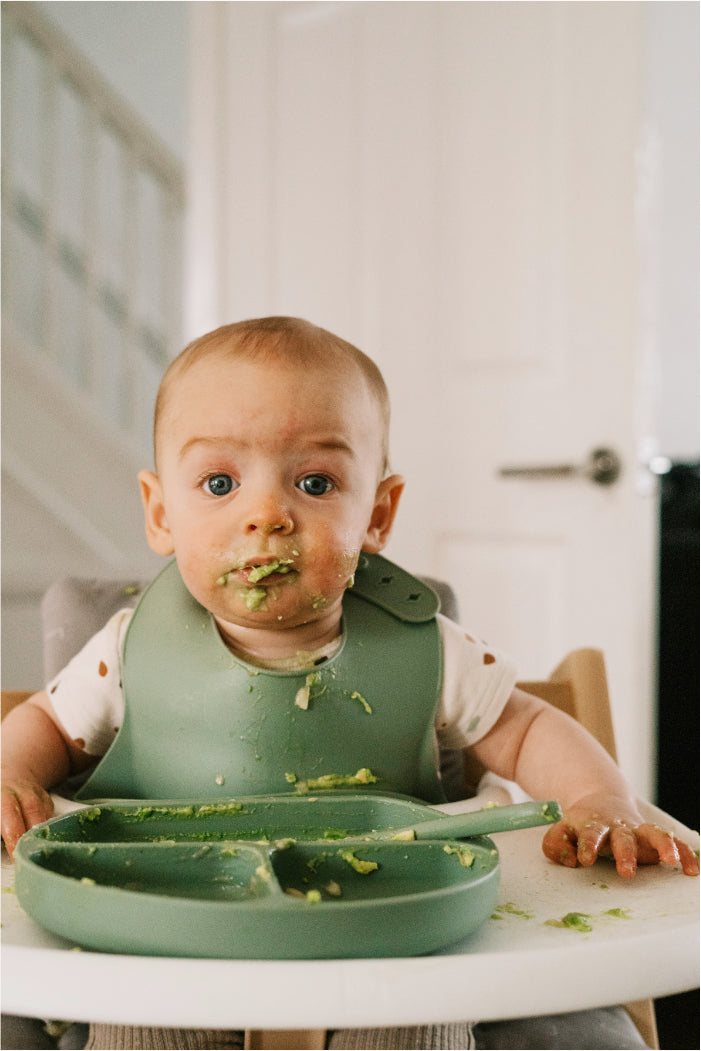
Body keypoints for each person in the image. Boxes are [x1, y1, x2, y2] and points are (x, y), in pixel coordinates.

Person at [1, 318, 697, 1051]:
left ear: (379, 513)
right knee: (140, 1016)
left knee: (414, 1019)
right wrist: (13, 770)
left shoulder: (424, 650)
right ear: (160, 511)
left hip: (391, 927)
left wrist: (598, 799)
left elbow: (524, 727)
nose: (265, 516)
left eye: (314, 482)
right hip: (165, 919)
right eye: (218, 483)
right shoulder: (128, 649)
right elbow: (46, 722)